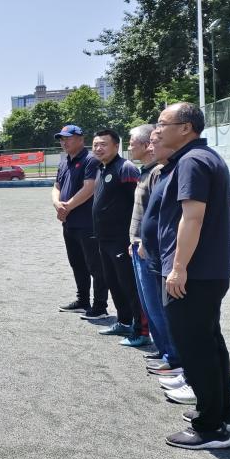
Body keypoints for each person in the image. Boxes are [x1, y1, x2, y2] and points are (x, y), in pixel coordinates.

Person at [155, 102, 230, 450]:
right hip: (206, 272)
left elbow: (193, 218)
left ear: (185, 128)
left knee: (196, 348)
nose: (157, 129)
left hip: (193, 274)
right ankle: (224, 412)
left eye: (163, 123)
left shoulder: (191, 161)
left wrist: (178, 267)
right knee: (210, 343)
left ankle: (210, 427)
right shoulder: (204, 157)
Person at [137, 129, 184, 380]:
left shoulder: (180, 169)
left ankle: (176, 361)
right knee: (153, 306)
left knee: (166, 311)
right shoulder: (157, 172)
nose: (150, 148)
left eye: (155, 142)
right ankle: (167, 353)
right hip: (147, 248)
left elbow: (185, 218)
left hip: (164, 254)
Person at [89, 129, 143, 341]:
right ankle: (124, 322)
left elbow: (139, 204)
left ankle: (140, 331)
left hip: (122, 240)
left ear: (116, 146)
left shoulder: (126, 168)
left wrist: (135, 237)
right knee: (113, 282)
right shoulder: (101, 168)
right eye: (95, 145)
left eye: (103, 144)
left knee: (129, 285)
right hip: (104, 239)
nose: (98, 148)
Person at [129, 125, 175, 357]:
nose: (129, 147)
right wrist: (133, 240)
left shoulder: (158, 173)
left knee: (157, 306)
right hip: (138, 247)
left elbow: (159, 215)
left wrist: (145, 243)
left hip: (149, 250)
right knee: (148, 305)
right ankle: (162, 350)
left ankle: (171, 355)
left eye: (132, 143)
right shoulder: (146, 171)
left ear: (147, 145)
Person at [52, 125, 107, 318]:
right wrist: (57, 204)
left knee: (96, 266)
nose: (63, 142)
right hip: (69, 223)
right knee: (77, 264)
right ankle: (83, 301)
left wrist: (66, 207)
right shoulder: (64, 162)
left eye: (68, 138)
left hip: (87, 223)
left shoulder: (91, 160)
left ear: (81, 139)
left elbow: (89, 188)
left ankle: (100, 306)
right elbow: (56, 186)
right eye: (62, 139)